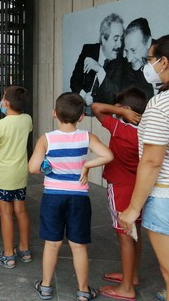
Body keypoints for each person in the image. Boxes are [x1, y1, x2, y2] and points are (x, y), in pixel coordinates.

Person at [28, 92, 114, 301]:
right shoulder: (87, 137)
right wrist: (86, 164)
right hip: (79, 197)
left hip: (53, 197)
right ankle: (84, 291)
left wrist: (47, 164)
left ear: (54, 114)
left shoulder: (47, 139)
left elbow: (32, 168)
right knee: (78, 245)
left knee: (52, 243)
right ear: (81, 117)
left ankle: (46, 286)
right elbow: (108, 156)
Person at [119, 36, 169, 301]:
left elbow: (152, 160)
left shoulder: (161, 105)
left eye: (151, 59)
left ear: (164, 62)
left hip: (164, 195)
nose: (147, 65)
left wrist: (132, 209)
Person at [91, 87, 147, 301]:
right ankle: (131, 276)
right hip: (138, 189)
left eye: (120, 108)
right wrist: (125, 112)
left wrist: (122, 113)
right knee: (135, 234)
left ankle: (127, 288)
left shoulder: (120, 128)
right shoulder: (143, 131)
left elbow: (96, 107)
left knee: (124, 237)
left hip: (121, 189)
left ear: (126, 110)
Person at [0, 86, 32, 269]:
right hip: (20, 175)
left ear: (8, 103)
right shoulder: (27, 119)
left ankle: (8, 255)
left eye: (3, 98)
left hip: (3, 176)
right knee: (20, 210)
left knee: (5, 213)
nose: (1, 101)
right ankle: (25, 250)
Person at [70, 13, 125, 110]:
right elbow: (74, 81)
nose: (120, 45)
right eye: (116, 39)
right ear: (104, 39)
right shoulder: (88, 50)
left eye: (121, 39)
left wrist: (100, 70)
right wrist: (84, 96)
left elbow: (114, 95)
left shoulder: (120, 62)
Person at [122, 17, 156, 101]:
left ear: (148, 42)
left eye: (133, 50)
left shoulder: (164, 58)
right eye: (127, 51)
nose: (129, 59)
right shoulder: (128, 65)